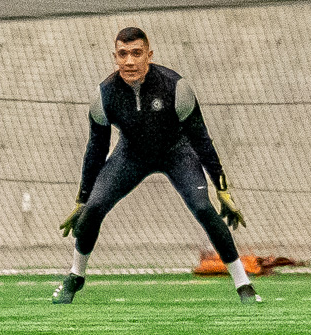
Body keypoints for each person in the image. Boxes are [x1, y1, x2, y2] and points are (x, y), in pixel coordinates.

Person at [55, 26, 260, 304]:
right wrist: (83, 199)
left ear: (149, 56)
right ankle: (75, 276)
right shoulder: (103, 95)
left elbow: (201, 139)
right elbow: (96, 149)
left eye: (136, 53)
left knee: (203, 208)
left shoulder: (176, 87)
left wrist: (221, 188)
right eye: (123, 54)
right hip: (131, 155)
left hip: (177, 153)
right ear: (115, 57)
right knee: (93, 209)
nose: (129, 61)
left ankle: (243, 284)